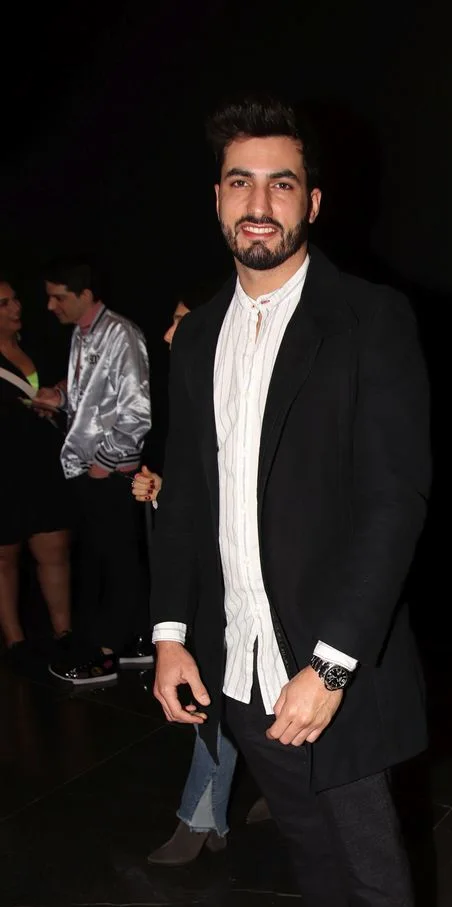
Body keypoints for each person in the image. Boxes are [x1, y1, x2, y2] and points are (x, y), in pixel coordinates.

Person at [150, 96, 431, 907]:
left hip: (330, 661)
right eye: (241, 181)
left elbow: (395, 502)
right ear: (217, 199)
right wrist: (171, 635)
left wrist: (334, 664)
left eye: (281, 182)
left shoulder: (371, 319)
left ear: (313, 201)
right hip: (237, 652)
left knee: (368, 849)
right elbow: (186, 494)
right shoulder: (197, 336)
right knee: (302, 835)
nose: (259, 203)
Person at [135, 288, 269, 866]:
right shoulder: (189, 382)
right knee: (223, 690)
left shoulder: (244, 381)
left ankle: (206, 815)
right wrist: (163, 493)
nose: (171, 335)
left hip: (254, 578)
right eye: (172, 322)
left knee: (233, 691)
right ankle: (216, 812)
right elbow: (197, 487)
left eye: (182, 321)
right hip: (206, 579)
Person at [35, 259, 153, 685]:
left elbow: (137, 412)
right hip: (87, 468)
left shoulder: (121, 333)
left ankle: (105, 656)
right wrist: (60, 397)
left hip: (111, 473)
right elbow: (93, 400)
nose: (50, 306)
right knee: (114, 560)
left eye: (58, 297)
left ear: (85, 294)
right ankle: (137, 641)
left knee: (112, 566)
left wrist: (105, 464)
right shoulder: (83, 334)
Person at [0, 278, 71, 667]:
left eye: (15, 300)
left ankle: (65, 634)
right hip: (5, 469)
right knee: (4, 556)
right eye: (4, 304)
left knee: (54, 548)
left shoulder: (40, 346)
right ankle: (16, 642)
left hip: (44, 464)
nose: (16, 308)